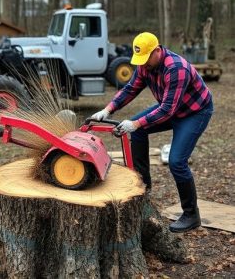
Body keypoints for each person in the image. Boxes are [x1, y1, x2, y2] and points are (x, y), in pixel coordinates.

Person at [91, 32, 213, 233]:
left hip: (194, 112)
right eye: (141, 60)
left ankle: (191, 215)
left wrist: (136, 123)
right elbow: (130, 89)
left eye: (146, 59)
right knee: (138, 132)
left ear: (157, 51)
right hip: (171, 107)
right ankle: (143, 188)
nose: (143, 64)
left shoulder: (176, 69)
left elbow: (167, 110)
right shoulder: (145, 65)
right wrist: (108, 109)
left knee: (177, 162)